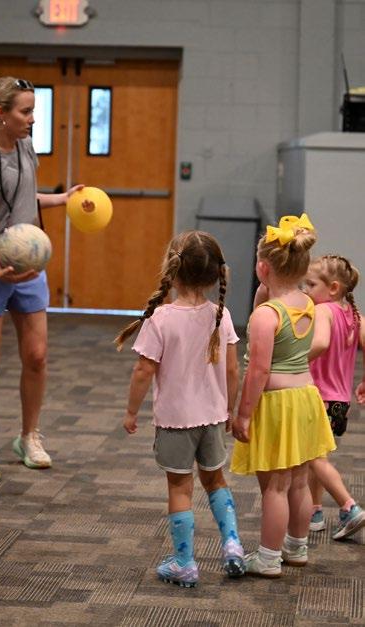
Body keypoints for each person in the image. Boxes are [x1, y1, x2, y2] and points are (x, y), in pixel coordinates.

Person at [0, 76, 82, 477]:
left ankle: (29, 437)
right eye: (26, 112)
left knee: (37, 357)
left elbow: (26, 199)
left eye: (33, 112)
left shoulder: (25, 146)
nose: (32, 119)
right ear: (1, 114)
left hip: (28, 265)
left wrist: (63, 199)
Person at [115, 230, 245, 588]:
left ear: (172, 270)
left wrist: (131, 412)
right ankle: (233, 545)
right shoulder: (221, 315)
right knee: (216, 480)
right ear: (215, 274)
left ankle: (185, 563)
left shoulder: (161, 318)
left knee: (180, 488)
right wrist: (229, 409)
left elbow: (143, 371)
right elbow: (233, 370)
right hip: (213, 417)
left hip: (176, 422)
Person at [231, 214, 336, 578]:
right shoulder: (307, 302)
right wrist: (265, 290)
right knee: (299, 481)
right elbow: (269, 298)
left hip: (277, 404)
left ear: (262, 268)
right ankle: (296, 546)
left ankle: (268, 557)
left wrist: (244, 414)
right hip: (306, 397)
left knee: (275, 487)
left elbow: (258, 371)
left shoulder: (266, 316)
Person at [303, 254, 365, 539]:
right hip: (340, 402)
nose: (306, 290)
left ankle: (349, 506)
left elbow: (320, 343)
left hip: (319, 398)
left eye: (311, 284)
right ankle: (314, 512)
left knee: (314, 459)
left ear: (334, 287)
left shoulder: (323, 311)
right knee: (318, 455)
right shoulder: (354, 315)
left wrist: (292, 361)